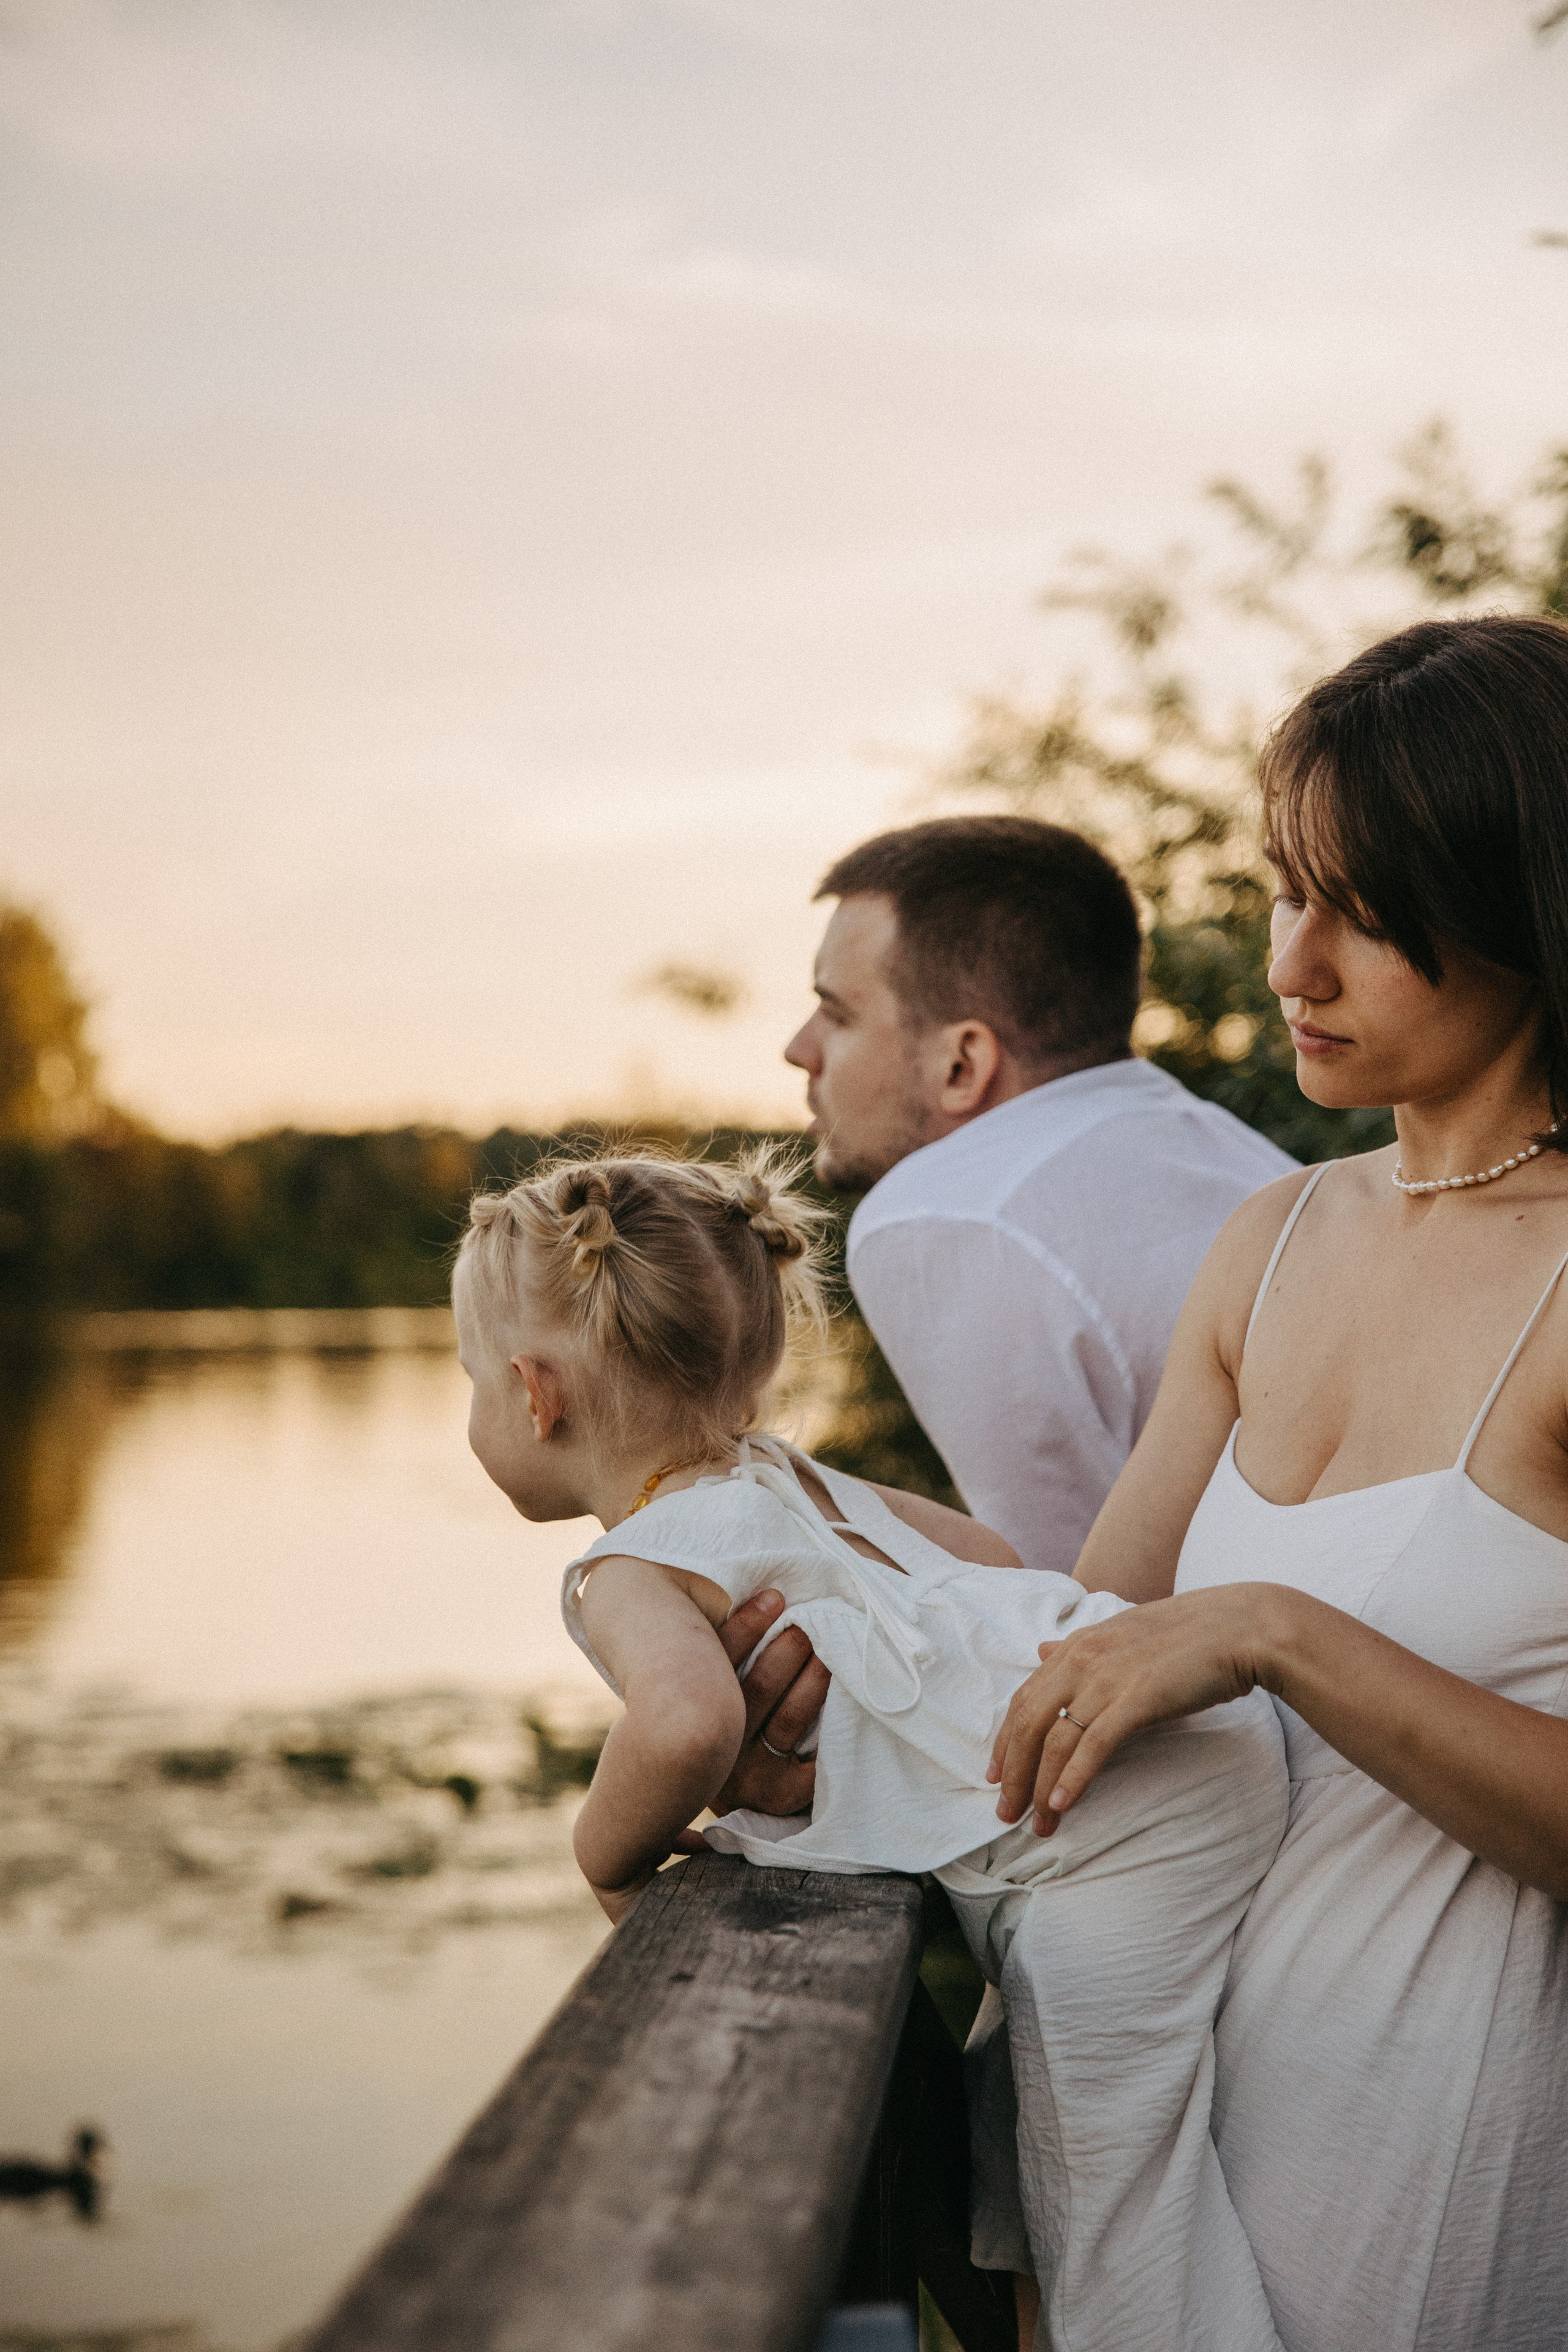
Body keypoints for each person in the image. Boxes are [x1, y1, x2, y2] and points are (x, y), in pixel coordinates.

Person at [451, 1145, 1290, 2352]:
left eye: (471, 1382)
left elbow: (688, 1723)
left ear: (534, 1394)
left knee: (1109, 2209)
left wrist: (604, 1854)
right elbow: (998, 1565)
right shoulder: (785, 1478)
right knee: (1018, 2146)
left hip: (1117, 1816)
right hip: (1162, 1744)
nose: (476, 1410)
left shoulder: (628, 1567)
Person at [987, 613, 1568, 2351]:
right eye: (1281, 892)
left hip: (1431, 2171)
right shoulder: (1273, 1236)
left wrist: (1278, 1633)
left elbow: (1228, 1634)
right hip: (1151, 2123)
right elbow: (1090, 1642)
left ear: (1522, 909)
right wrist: (822, 1588)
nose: (1289, 967)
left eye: (1363, 916)